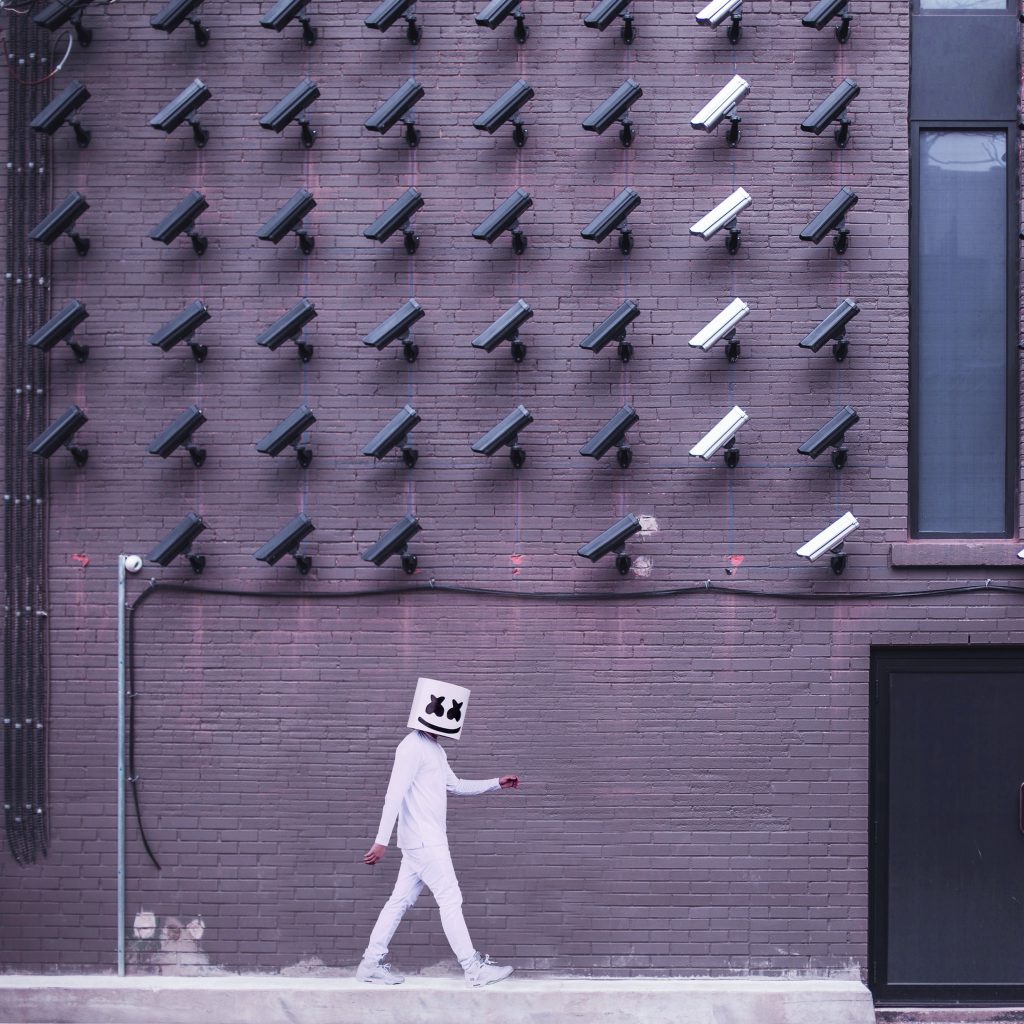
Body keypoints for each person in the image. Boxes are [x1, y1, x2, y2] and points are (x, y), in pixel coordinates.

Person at [357, 677, 519, 988]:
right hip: (424, 842)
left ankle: (370, 964)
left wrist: (495, 783)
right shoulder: (411, 748)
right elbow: (393, 795)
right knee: (450, 897)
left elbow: (455, 785)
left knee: (398, 901)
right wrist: (381, 841)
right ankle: (474, 969)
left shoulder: (434, 748)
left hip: (423, 842)